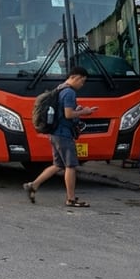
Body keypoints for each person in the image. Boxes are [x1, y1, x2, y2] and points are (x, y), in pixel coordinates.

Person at [22, 66, 98, 207]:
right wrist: (84, 112)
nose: (82, 85)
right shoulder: (69, 92)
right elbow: (68, 114)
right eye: (82, 81)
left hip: (55, 133)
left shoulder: (60, 89)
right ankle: (71, 199)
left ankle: (33, 185)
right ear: (76, 77)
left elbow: (63, 112)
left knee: (58, 165)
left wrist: (78, 110)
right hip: (63, 134)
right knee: (71, 166)